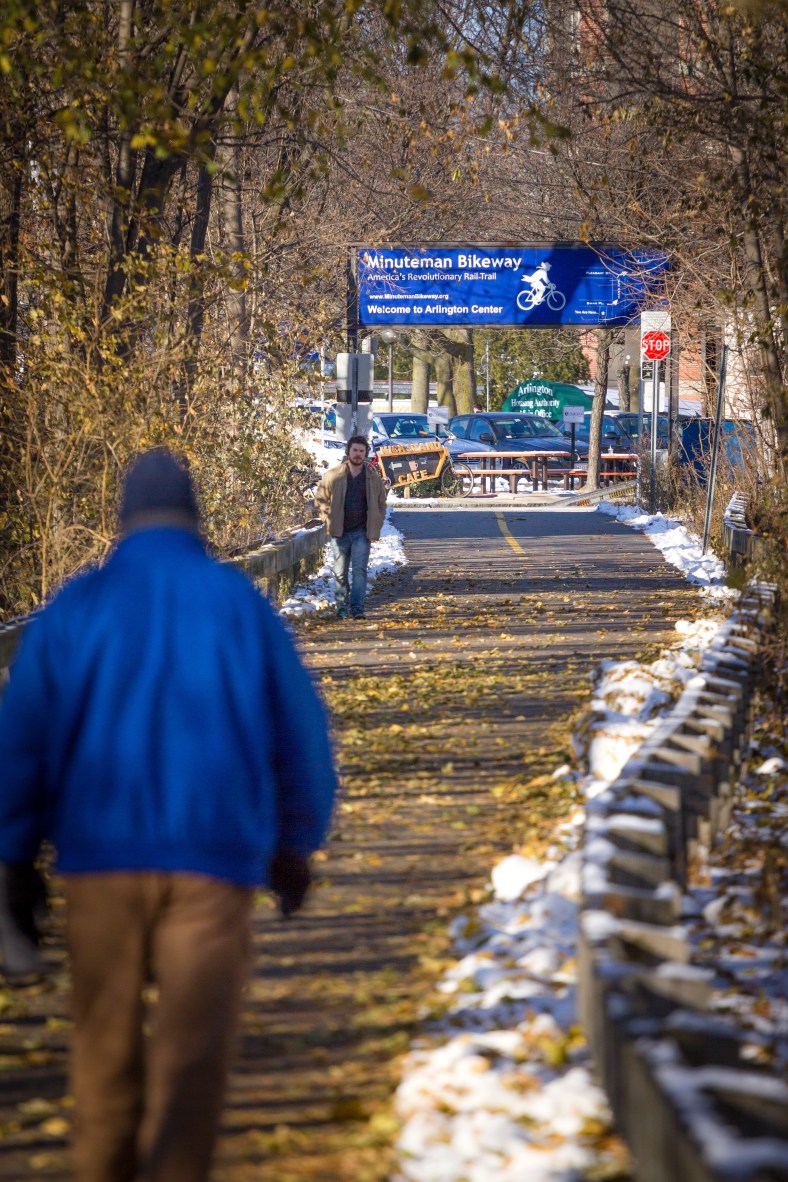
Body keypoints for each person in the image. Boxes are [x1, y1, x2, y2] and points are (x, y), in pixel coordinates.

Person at [0, 448, 338, 1182]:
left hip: (99, 862)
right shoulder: (237, 605)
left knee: (102, 1055)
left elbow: (21, 739)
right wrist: (294, 843)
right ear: (193, 517)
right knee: (191, 1060)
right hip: (213, 866)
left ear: (124, 519)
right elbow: (299, 732)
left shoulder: (75, 608)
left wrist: (13, 855)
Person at [315, 434, 387, 620]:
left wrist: (376, 523)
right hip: (339, 532)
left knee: (360, 571)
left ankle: (357, 608)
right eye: (355, 450)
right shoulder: (333, 475)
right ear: (348, 451)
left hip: (362, 533)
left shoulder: (372, 477)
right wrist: (327, 518)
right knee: (339, 572)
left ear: (366, 454)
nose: (357, 454)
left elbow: (381, 503)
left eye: (361, 451)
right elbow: (321, 499)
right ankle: (341, 606)